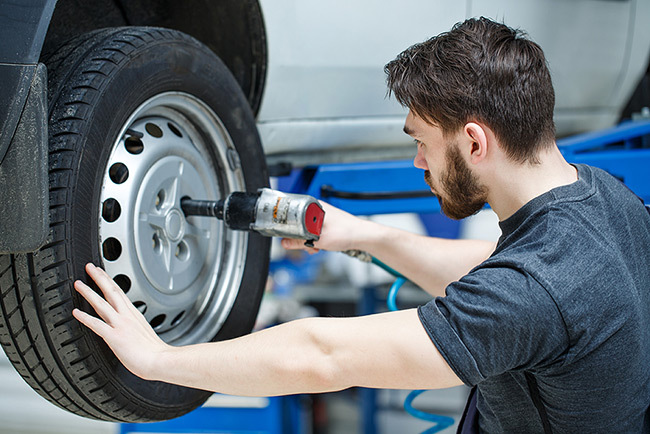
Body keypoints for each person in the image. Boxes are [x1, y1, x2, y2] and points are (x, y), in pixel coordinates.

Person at [72, 17, 650, 432]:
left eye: (422, 144)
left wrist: (158, 361)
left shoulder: (530, 294)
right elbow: (493, 274)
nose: (418, 162)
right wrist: (364, 236)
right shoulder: (601, 197)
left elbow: (324, 355)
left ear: (474, 141)